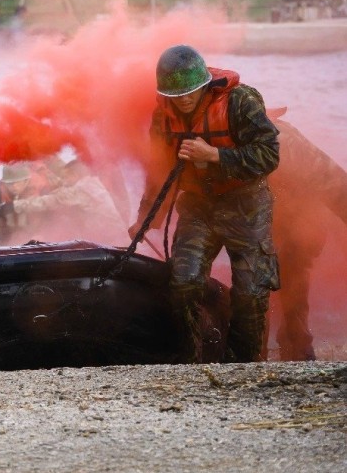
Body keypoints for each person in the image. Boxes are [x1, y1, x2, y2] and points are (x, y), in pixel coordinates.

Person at [129, 45, 280, 363]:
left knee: (251, 292)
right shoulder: (163, 117)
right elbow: (159, 172)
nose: (183, 99)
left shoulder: (241, 101)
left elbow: (269, 154)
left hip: (246, 202)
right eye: (176, 94)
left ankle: (242, 365)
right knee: (183, 282)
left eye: (190, 92)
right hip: (198, 204)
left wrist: (215, 155)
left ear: (204, 85)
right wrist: (146, 219)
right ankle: (191, 360)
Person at [268, 111, 347, 361]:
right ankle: (254, 353)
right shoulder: (221, 138)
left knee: (293, 273)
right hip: (266, 213)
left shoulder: (286, 142)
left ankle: (297, 347)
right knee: (258, 277)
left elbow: (334, 183)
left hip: (303, 217)